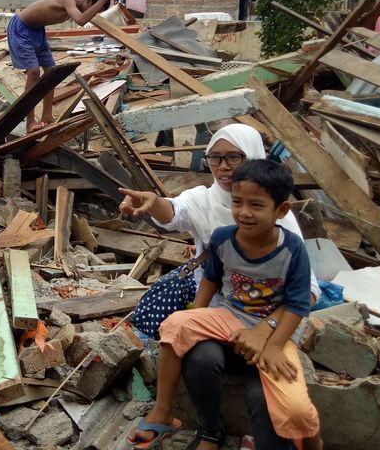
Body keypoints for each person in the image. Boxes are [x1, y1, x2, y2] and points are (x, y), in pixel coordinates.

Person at [129, 160, 323, 450]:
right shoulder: (223, 238)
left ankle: (313, 441)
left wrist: (272, 344)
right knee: (174, 325)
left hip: (276, 332)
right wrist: (197, 314)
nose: (244, 213)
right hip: (228, 317)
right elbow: (210, 278)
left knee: (295, 409)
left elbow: (298, 305)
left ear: (281, 211)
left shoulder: (292, 248)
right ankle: (164, 410)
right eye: (237, 202)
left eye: (256, 205)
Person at [121, 124, 319, 338]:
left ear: (253, 157)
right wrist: (153, 202)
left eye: (233, 157)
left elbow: (309, 291)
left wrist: (268, 326)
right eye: (215, 158)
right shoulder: (203, 199)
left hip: (266, 315)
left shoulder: (279, 219)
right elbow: (175, 214)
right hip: (215, 305)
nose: (222, 166)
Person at [8, 0, 115, 132]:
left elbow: (84, 17)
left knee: (52, 73)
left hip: (38, 31)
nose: (93, 15)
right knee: (33, 72)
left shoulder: (74, 6)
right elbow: (81, 20)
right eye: (94, 10)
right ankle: (30, 122)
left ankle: (47, 116)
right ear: (89, 0)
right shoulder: (68, 0)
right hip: (21, 30)